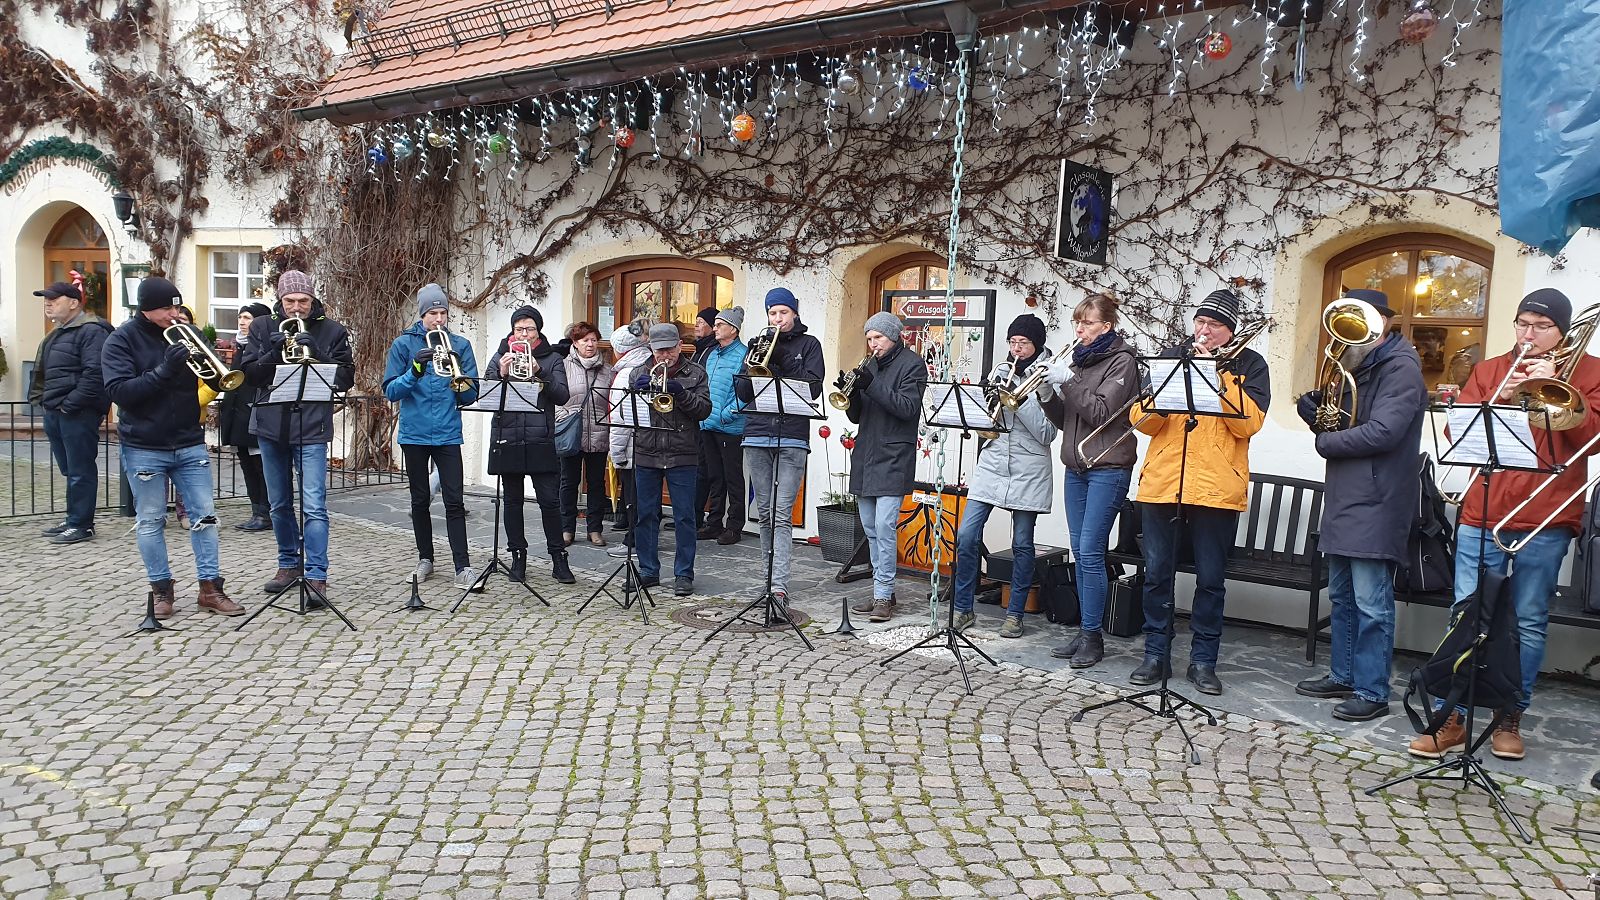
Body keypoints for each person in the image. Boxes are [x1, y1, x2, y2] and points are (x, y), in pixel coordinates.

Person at [1406, 288, 1600, 761]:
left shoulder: (1591, 372)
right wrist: (1507, 399)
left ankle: (1509, 715)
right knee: (1464, 614)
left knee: (1527, 622)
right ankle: (1452, 715)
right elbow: (1459, 430)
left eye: (1542, 326)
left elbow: (1593, 439)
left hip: (1547, 515)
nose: (1529, 334)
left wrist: (1551, 387)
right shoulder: (1492, 369)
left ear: (1562, 332)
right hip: (1483, 510)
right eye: (1522, 323)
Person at [1291, 291, 1426, 721]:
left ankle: (1371, 690)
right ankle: (1344, 675)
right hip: (1348, 495)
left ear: (1384, 323)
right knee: (1343, 596)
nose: (1349, 335)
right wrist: (1314, 414)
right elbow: (1343, 420)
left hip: (1377, 499)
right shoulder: (1358, 365)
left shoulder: (1400, 368)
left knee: (1371, 603)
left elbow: (1384, 431)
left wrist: (1325, 441)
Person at [1129, 289, 1268, 696]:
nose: (1204, 330)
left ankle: (1203, 660)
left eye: (1215, 325)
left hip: (1216, 487)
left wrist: (1217, 378)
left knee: (1210, 580)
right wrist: (1164, 394)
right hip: (1164, 481)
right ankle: (1155, 654)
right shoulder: (1172, 357)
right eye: (1200, 322)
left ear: (1230, 330)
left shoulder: (1250, 365)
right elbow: (1142, 421)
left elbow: (1249, 425)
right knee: (1157, 574)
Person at [100, 276, 243, 618]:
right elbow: (121, 392)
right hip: (144, 445)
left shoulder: (184, 333)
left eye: (176, 307)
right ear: (146, 309)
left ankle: (210, 588)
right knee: (151, 521)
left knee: (205, 517)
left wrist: (213, 367)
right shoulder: (121, 340)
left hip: (189, 441)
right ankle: (161, 590)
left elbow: (212, 379)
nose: (174, 314)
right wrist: (165, 369)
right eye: (166, 308)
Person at [239, 272, 355, 604]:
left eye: (303, 301)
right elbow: (250, 375)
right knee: (278, 504)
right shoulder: (262, 327)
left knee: (314, 505)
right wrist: (273, 353)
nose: (296, 308)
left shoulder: (332, 330)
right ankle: (288, 564)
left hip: (312, 426)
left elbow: (345, 379)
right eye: (289, 301)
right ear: (280, 300)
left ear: (312, 299)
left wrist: (318, 353)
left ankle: (317, 575)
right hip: (271, 426)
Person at [1041, 294, 1140, 669]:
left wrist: (1068, 382)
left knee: (1091, 551)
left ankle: (1093, 638)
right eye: (1077, 322)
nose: (1079, 329)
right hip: (1077, 468)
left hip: (1107, 468)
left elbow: (1100, 412)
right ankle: (1085, 631)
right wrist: (1047, 395)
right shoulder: (1080, 362)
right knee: (1080, 552)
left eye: (1087, 323)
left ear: (1106, 326)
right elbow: (1067, 420)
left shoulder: (1122, 362)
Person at [950, 314, 1059, 639]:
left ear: (1036, 344)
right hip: (993, 463)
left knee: (1022, 543)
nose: (1016, 349)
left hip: (1029, 468)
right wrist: (986, 404)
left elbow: (1047, 433)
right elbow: (987, 421)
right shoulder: (1001, 370)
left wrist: (1017, 400)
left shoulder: (1049, 377)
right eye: (1012, 342)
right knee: (967, 535)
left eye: (1023, 343)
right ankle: (963, 607)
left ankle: (1015, 614)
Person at [383, 283, 480, 588]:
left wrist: (457, 377)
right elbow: (391, 391)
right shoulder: (403, 344)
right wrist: (414, 369)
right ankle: (425, 559)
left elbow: (470, 395)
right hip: (414, 434)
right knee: (420, 499)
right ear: (422, 314)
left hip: (448, 433)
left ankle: (462, 566)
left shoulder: (460, 345)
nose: (438, 319)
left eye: (443, 313)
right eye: (432, 313)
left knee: (454, 501)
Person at [736, 290, 827, 605]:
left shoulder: (809, 345)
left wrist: (784, 360)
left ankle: (779, 587)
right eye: (773, 313)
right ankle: (767, 582)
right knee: (764, 513)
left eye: (783, 313)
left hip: (792, 437)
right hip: (757, 434)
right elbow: (744, 392)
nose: (778, 319)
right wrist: (750, 364)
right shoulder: (758, 345)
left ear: (795, 313)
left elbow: (813, 388)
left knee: (781, 514)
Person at [845, 311, 927, 622]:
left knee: (884, 527)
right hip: (866, 455)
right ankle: (884, 590)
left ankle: (882, 595)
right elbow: (857, 416)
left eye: (878, 337)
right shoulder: (869, 366)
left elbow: (906, 408)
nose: (873, 344)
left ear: (893, 336)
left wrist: (872, 384)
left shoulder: (912, 365)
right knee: (870, 528)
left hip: (893, 456)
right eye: (869, 338)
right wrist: (852, 394)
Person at [486, 306, 574, 584]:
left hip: (540, 438)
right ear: (513, 331)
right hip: (509, 436)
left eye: (530, 329)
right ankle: (517, 556)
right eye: (519, 329)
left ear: (538, 331)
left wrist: (540, 374)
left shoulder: (552, 358)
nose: (524, 334)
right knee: (512, 501)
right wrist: (501, 372)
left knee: (549, 501)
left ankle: (558, 558)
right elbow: (486, 393)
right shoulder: (500, 354)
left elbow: (562, 396)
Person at [631, 323, 712, 595]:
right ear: (651, 349)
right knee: (645, 515)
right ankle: (648, 571)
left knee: (685, 517)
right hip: (647, 451)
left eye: (669, 349)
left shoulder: (696, 373)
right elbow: (628, 412)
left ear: (679, 346)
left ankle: (684, 574)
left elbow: (704, 410)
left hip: (682, 453)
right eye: (659, 351)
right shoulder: (639, 372)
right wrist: (636, 392)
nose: (665, 356)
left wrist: (681, 393)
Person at [30, 279, 112, 545]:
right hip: (56, 410)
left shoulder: (92, 331)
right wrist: (45, 403)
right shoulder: (59, 332)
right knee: (70, 469)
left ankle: (81, 524)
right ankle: (73, 518)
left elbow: (95, 374)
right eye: (46, 300)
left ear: (74, 303)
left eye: (54, 299)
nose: (48, 304)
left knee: (80, 469)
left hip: (76, 412)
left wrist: (70, 405)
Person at [556, 321, 614, 547]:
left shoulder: (607, 370)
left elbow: (612, 401)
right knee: (568, 482)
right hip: (571, 433)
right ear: (575, 343)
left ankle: (595, 529)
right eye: (585, 340)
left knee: (597, 483)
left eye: (593, 340)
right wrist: (563, 417)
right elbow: (554, 398)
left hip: (599, 433)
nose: (590, 344)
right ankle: (566, 528)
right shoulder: (563, 367)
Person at [219, 302, 273, 532]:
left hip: (256, 415)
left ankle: (266, 512)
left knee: (262, 467)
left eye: (248, 318)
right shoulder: (240, 346)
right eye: (240, 317)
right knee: (247, 466)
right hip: (238, 416)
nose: (242, 322)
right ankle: (256, 511)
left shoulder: (263, 347)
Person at [699, 306, 751, 544]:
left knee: (733, 478)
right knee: (714, 477)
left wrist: (727, 414)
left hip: (729, 426)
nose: (715, 328)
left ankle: (734, 526)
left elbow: (747, 391)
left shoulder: (744, 355)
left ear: (733, 329)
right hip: (708, 424)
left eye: (720, 325)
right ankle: (714, 522)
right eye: (716, 324)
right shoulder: (712, 354)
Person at [605, 322, 653, 559]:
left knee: (633, 497)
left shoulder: (626, 374)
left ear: (620, 349)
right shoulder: (647, 364)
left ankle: (634, 541)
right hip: (649, 443)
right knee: (644, 496)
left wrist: (616, 453)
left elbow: (620, 417)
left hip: (633, 445)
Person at [690, 306, 719, 529]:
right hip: (694, 415)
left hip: (707, 414)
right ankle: (692, 513)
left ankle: (698, 515)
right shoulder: (697, 349)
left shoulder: (712, 351)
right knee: (696, 467)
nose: (696, 325)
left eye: (701, 322)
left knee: (705, 470)